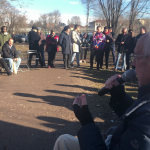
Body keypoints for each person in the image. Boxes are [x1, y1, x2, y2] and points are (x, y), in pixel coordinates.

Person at [53, 32, 150, 150]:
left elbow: (141, 120)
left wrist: (87, 124)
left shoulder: (145, 123)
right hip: (115, 140)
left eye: (137, 57)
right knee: (64, 140)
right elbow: (139, 114)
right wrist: (120, 98)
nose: (133, 63)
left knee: (63, 142)